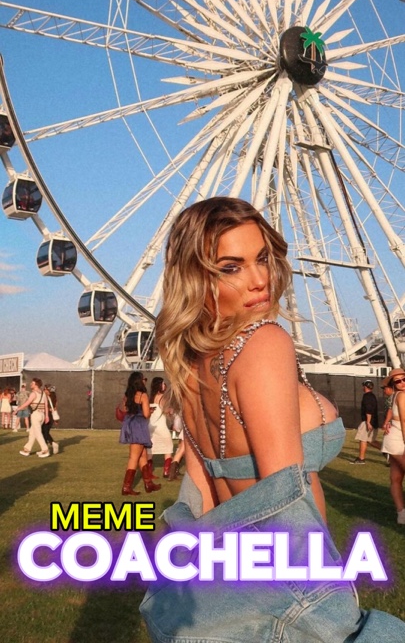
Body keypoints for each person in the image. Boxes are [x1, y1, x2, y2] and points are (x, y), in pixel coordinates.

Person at [139, 197, 405, 642]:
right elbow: (288, 489)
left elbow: (202, 488)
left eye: (262, 258)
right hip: (290, 583)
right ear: (196, 276)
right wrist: (327, 594)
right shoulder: (263, 342)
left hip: (240, 577)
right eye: (231, 267)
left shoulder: (190, 360)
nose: (259, 279)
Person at [118, 371, 161, 495]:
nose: (145, 381)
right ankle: (126, 487)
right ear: (139, 381)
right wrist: (149, 411)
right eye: (144, 379)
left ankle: (148, 484)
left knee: (143, 456)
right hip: (139, 426)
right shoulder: (143, 395)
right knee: (134, 457)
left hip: (130, 426)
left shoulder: (128, 395)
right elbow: (146, 414)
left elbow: (125, 409)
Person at [381, 368, 405, 524]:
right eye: (398, 381)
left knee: (395, 478)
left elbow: (392, 412)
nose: (402, 383)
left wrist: (387, 422)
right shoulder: (401, 395)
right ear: (393, 384)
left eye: (404, 379)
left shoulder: (396, 395)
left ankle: (401, 514)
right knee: (396, 479)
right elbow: (403, 420)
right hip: (398, 439)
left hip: (394, 438)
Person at [15, 378, 50, 458]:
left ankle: (45, 450)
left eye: (32, 383)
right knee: (32, 432)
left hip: (36, 414)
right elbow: (46, 405)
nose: (31, 384)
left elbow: (27, 403)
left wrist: (17, 409)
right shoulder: (43, 393)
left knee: (37, 433)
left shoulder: (33, 393)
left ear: (36, 385)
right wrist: (47, 416)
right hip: (42, 415)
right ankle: (27, 449)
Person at [147, 376, 173, 478]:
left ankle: (148, 471)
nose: (164, 385)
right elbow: (167, 410)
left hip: (151, 426)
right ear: (159, 385)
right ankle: (166, 471)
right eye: (162, 383)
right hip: (161, 426)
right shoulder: (162, 397)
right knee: (168, 447)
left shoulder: (150, 397)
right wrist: (171, 411)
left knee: (150, 449)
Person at [350, 380, 379, 464]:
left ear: (365, 386)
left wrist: (368, 422)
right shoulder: (372, 396)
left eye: (363, 386)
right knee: (370, 440)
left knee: (363, 439)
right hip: (373, 420)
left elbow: (368, 410)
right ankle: (386, 452)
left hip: (368, 421)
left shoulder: (367, 396)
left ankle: (361, 459)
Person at [41, 384, 59, 455]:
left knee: (44, 432)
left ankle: (51, 444)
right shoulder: (54, 397)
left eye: (45, 389)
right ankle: (46, 447)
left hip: (47, 415)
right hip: (50, 416)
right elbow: (55, 408)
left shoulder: (47, 397)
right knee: (45, 432)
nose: (44, 390)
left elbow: (47, 407)